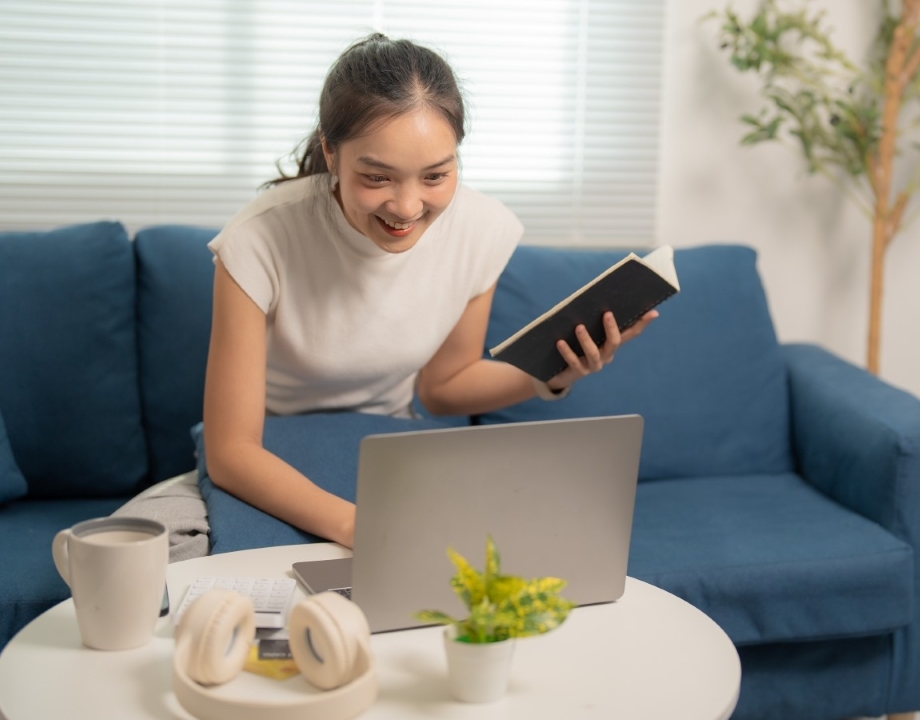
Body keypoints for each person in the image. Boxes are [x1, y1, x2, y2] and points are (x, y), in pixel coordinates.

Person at [199, 33, 656, 550]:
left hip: (385, 449)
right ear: (331, 151)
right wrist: (355, 525)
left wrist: (550, 373)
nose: (408, 207)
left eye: (436, 175)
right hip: (272, 459)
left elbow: (443, 388)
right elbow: (231, 451)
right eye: (377, 177)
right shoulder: (258, 239)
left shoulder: (482, 230)